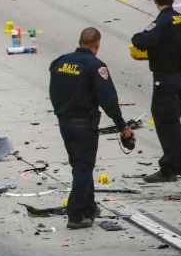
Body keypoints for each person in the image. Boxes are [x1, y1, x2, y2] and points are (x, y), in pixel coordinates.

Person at [49, 27, 135, 229]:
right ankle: (75, 214)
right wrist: (122, 125)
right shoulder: (96, 66)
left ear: (80, 42)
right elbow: (109, 100)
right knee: (83, 167)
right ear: (97, 46)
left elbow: (54, 91)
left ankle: (89, 208)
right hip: (84, 124)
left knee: (79, 166)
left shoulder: (60, 62)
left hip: (64, 122)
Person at [131, 0, 181, 182]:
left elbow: (142, 41)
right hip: (180, 77)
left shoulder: (162, 21)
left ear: (155, 0)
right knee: (173, 120)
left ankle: (169, 167)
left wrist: (137, 37)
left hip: (164, 78)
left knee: (165, 121)